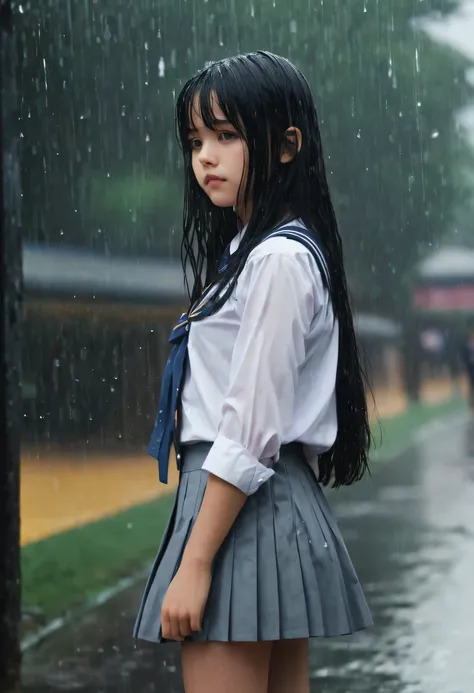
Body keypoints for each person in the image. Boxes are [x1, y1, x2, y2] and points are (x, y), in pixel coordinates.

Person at [133, 51, 373, 693]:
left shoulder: (274, 260)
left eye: (226, 134)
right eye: (195, 139)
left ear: (287, 145)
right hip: (265, 501)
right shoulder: (257, 252)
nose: (205, 156)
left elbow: (249, 425)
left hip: (242, 501)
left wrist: (197, 560)